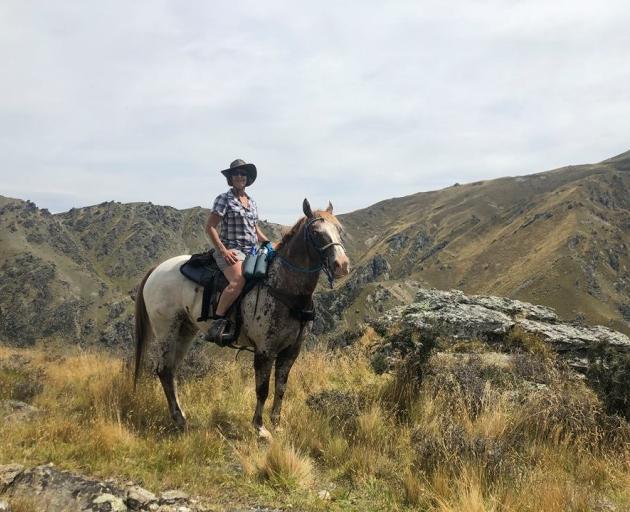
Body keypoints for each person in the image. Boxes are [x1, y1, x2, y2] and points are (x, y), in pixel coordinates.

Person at [204, 159, 273, 344]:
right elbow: (210, 226)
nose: (239, 177)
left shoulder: (252, 203)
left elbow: (254, 229)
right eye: (236, 174)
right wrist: (223, 250)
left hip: (251, 251)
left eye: (243, 173)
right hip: (231, 250)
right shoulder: (224, 199)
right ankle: (217, 323)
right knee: (238, 280)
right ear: (230, 178)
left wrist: (268, 243)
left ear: (247, 178)